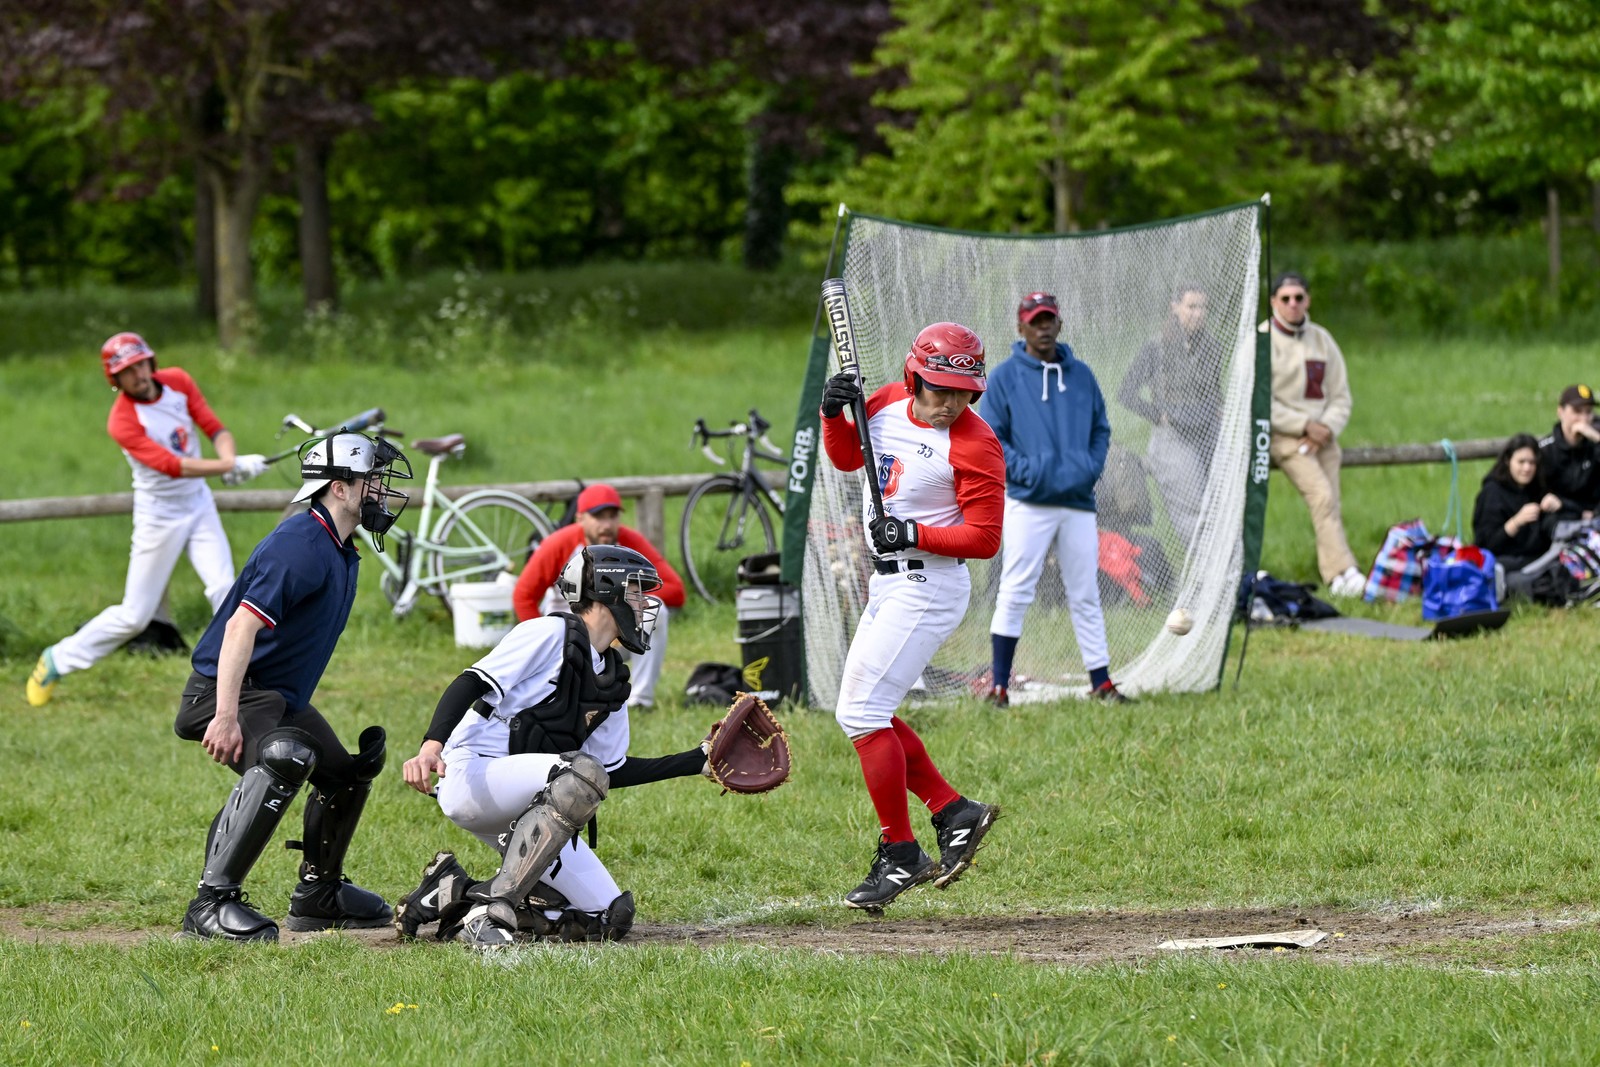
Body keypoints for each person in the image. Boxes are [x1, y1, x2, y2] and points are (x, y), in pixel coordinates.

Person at [395, 545, 711, 946]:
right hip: (472, 776)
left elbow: (610, 772)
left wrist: (696, 760)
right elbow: (470, 682)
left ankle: (452, 892)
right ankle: (494, 914)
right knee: (579, 774)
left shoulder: (611, 679)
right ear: (607, 589)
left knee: (608, 917)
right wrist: (430, 747)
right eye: (636, 590)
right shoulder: (549, 633)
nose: (645, 602)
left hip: (529, 803)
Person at [171, 431, 412, 941]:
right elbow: (240, 628)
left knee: (347, 772)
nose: (379, 490)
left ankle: (318, 895)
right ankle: (210, 904)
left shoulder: (338, 547)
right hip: (225, 693)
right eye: (370, 480)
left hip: (274, 697)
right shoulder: (300, 545)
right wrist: (225, 715)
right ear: (339, 489)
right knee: (284, 757)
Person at [817, 321, 1004, 913]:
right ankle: (953, 811)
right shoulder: (890, 402)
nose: (950, 402)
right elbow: (851, 459)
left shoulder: (976, 444)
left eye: (961, 392)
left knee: (862, 713)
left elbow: (985, 537)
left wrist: (912, 531)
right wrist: (833, 416)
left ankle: (901, 853)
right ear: (913, 377)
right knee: (868, 712)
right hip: (889, 581)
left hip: (930, 584)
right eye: (938, 388)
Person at [25, 332, 269, 707]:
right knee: (135, 615)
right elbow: (173, 465)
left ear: (151, 362)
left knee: (224, 589)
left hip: (198, 504)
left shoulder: (178, 382)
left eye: (141, 364)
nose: (138, 374)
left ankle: (249, 676)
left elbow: (215, 428)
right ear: (115, 380)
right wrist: (229, 465)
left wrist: (230, 460)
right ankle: (56, 659)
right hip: (159, 515)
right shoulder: (122, 421)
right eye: (128, 370)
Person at [981, 291, 1127, 707]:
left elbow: (1101, 429)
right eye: (1035, 320)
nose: (1043, 327)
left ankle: (1101, 682)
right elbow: (992, 437)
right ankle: (999, 686)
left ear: (1059, 324)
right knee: (1016, 588)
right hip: (1028, 500)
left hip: (1077, 501)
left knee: (1085, 592)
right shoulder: (1006, 377)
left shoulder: (1081, 375)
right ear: (1020, 327)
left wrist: (1088, 469)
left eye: (1049, 320)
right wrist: (1029, 472)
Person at [512, 483, 685, 709]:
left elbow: (676, 590)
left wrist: (623, 594)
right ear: (580, 518)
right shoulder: (559, 543)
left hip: (615, 632)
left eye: (612, 516)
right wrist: (541, 644)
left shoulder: (628, 542)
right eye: (598, 516)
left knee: (657, 611)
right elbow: (523, 596)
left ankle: (640, 701)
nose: (606, 525)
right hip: (567, 634)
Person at [1261, 271, 1364, 598]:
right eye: (1286, 298)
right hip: (1285, 437)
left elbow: (1341, 395)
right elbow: (1259, 400)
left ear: (1308, 300)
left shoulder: (1322, 339)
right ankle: (1340, 572)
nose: (1293, 304)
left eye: (1299, 298)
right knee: (1321, 496)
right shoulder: (1262, 340)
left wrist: (1325, 429)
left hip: (1323, 438)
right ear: (1274, 301)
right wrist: (1304, 425)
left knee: (1330, 502)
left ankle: (1342, 572)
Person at [1118, 284, 1226, 550]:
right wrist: (1159, 415)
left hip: (1207, 431)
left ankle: (1230, 567)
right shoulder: (1156, 347)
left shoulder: (1212, 347)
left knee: (1220, 503)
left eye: (1203, 308)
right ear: (1175, 307)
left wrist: (1218, 411)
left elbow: (1214, 390)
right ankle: (1206, 571)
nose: (1198, 314)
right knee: (1194, 508)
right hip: (1172, 436)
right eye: (1192, 307)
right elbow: (1126, 393)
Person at [1472, 434, 1561, 571]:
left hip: (1535, 556)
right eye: (1521, 462)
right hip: (1502, 559)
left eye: (1532, 463)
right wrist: (1517, 521)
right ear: (1508, 460)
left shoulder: (1536, 487)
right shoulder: (1492, 493)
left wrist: (1557, 505)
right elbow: (1486, 545)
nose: (1527, 468)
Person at [1538, 384, 1600, 522]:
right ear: (1560, 412)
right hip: (1560, 522)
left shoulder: (1594, 446)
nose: (1583, 419)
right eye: (1577, 411)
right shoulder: (1546, 451)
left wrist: (1597, 439)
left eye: (1588, 412)